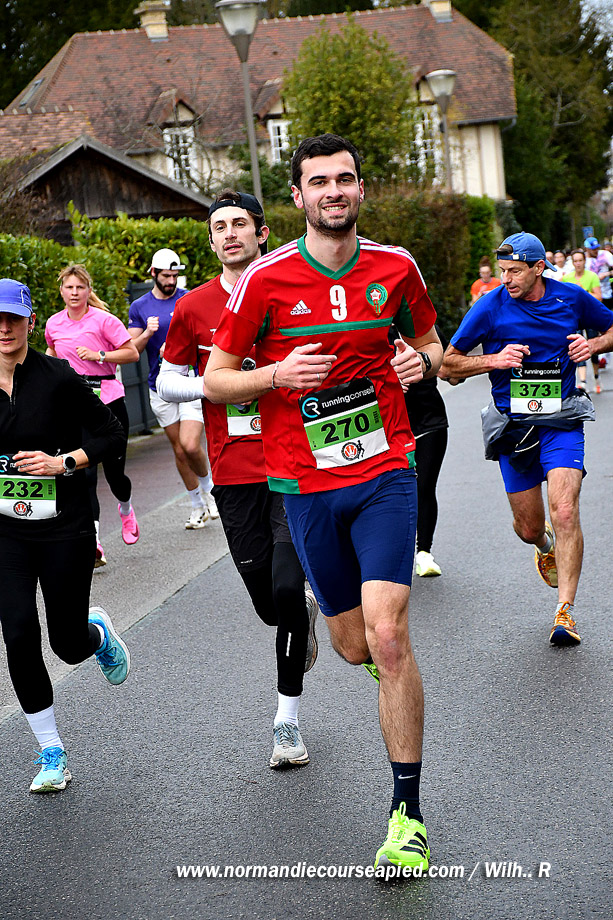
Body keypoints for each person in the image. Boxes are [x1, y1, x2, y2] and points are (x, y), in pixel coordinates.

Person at [203, 134, 442, 873]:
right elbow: (216, 380)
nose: (333, 191)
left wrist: (420, 362)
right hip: (304, 486)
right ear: (298, 196)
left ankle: (407, 816)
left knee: (389, 636)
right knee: (351, 645)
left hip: (385, 469)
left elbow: (431, 343)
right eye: (318, 182)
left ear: (360, 189)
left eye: (344, 179)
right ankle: (368, 657)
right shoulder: (264, 280)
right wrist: (275, 376)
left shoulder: (396, 267)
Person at [157, 189, 318, 770]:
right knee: (269, 604)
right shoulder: (193, 307)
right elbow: (165, 382)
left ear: (262, 232)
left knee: (287, 588)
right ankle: (299, 617)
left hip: (294, 463)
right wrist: (223, 385)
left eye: (239, 224)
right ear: (211, 241)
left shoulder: (294, 291)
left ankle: (286, 721)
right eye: (219, 226)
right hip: (233, 470)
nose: (230, 233)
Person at [440, 231, 613, 646]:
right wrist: (494, 359)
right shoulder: (489, 306)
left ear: (539, 268)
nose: (506, 280)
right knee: (528, 526)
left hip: (561, 420)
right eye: (503, 271)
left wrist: (593, 345)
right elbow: (448, 365)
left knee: (565, 510)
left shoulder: (571, 298)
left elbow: (610, 328)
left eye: (515, 271)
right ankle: (543, 543)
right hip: (513, 429)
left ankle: (564, 611)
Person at [0, 278, 131, 793]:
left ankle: (94, 634)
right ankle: (51, 750)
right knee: (17, 633)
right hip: (6, 532)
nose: (4, 329)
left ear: (31, 322)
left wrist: (64, 463)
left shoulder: (57, 377)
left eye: (13, 319)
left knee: (67, 644)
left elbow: (111, 433)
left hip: (64, 527)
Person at [45, 265, 140, 564]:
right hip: (74, 405)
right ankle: (94, 541)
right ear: (61, 291)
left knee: (115, 475)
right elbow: (52, 352)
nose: (74, 293)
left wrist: (99, 355)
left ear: (88, 290)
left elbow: (132, 353)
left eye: (79, 287)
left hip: (108, 401)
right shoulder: (54, 323)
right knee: (84, 473)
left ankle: (125, 508)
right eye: (69, 287)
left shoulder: (104, 320)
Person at [128, 249, 218, 529]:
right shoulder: (139, 307)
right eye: (166, 276)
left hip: (189, 382)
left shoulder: (189, 299)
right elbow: (131, 350)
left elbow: (207, 339)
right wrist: (148, 333)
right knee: (179, 450)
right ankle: (197, 505)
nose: (171, 281)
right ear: (153, 274)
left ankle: (210, 489)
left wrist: (179, 347)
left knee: (190, 444)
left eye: (174, 275)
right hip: (159, 387)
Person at [404, 326, 449, 578]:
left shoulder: (423, 328)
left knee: (424, 486)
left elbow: (448, 365)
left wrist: (450, 370)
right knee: (393, 491)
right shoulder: (370, 327)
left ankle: (424, 553)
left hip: (429, 420)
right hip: (389, 427)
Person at [561, 249, 603, 392]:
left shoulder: (592, 276)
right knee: (577, 348)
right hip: (574, 318)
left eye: (580, 260)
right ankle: (583, 382)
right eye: (575, 261)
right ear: (572, 263)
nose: (578, 263)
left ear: (585, 261)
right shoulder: (567, 278)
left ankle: (596, 377)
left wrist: (582, 291)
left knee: (593, 350)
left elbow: (598, 297)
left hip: (590, 317)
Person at [583, 236, 613, 309]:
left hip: (606, 293)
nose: (596, 251)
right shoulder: (583, 259)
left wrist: (607, 274)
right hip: (591, 294)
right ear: (587, 249)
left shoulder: (605, 254)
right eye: (593, 249)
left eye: (597, 248)